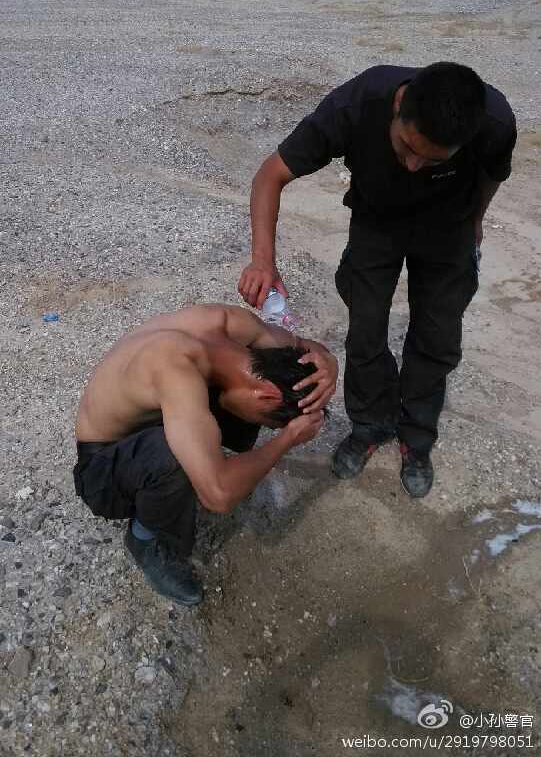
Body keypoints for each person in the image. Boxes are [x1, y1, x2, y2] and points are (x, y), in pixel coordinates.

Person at [238, 63, 517, 498]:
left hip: (449, 231)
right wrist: (263, 261)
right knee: (366, 329)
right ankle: (369, 425)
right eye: (406, 146)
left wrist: (476, 222)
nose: (414, 165)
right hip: (376, 224)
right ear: (399, 104)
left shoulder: (494, 122)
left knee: (438, 337)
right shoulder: (357, 105)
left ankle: (417, 437)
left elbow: (491, 177)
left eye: (433, 159)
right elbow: (270, 174)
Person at [74, 303, 337, 605]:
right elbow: (218, 496)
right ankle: (145, 539)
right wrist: (286, 439)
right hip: (102, 465)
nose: (268, 428)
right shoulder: (175, 368)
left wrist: (329, 364)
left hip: (151, 414)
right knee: (174, 456)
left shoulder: (232, 323)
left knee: (220, 412)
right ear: (267, 394)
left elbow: (306, 347)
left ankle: (205, 458)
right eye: (269, 423)